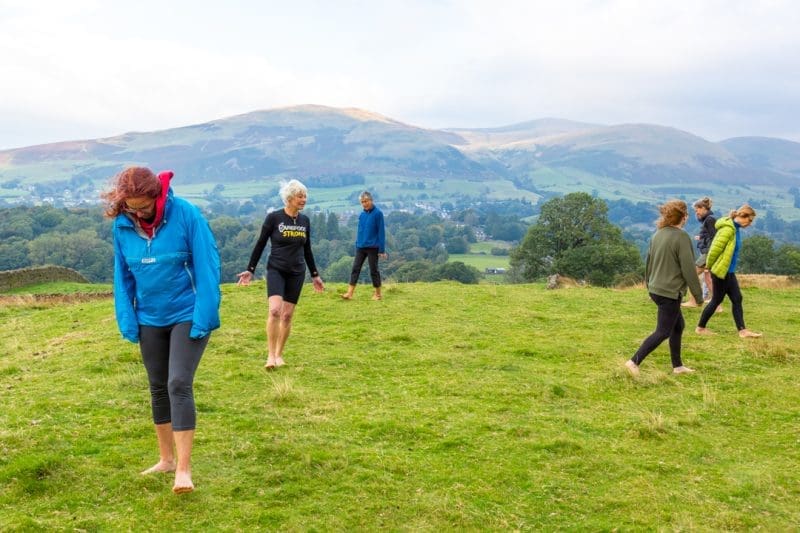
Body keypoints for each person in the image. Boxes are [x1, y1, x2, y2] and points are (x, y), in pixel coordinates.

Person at [102, 166, 221, 494]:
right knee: (157, 387)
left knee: (178, 383)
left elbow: (207, 265)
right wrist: (127, 317)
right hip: (149, 317)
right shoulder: (123, 225)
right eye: (132, 207)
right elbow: (122, 274)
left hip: (187, 311)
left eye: (143, 206)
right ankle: (166, 459)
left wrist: (204, 316)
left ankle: (183, 470)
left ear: (158, 195)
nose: (138, 213)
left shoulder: (186, 215)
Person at [237, 179, 325, 369]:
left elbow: (307, 249)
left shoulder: (305, 221)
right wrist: (250, 270)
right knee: (275, 310)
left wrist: (315, 274)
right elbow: (260, 243)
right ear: (290, 198)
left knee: (287, 316)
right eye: (300, 196)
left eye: (305, 196)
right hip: (276, 269)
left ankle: (279, 354)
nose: (304, 199)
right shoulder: (274, 218)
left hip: (297, 272)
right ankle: (270, 356)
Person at [625, 200, 703, 376]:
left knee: (678, 326)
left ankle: (678, 366)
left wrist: (649, 285)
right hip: (670, 292)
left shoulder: (657, 234)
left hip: (656, 289)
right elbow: (689, 269)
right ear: (683, 217)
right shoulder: (681, 237)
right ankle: (633, 362)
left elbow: (649, 263)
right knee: (663, 331)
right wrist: (698, 296)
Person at [696, 204, 762, 338]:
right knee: (716, 300)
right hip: (722, 271)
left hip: (729, 271)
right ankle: (700, 328)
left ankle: (742, 331)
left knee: (737, 298)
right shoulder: (728, 229)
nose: (750, 224)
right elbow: (715, 248)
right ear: (742, 216)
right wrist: (709, 266)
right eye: (749, 220)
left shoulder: (735, 228)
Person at [342, 191, 388, 301]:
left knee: (373, 270)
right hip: (361, 247)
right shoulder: (362, 215)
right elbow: (360, 231)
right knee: (355, 269)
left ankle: (378, 294)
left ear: (371, 200)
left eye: (366, 201)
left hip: (373, 247)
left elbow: (381, 232)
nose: (364, 204)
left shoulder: (378, 213)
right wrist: (357, 243)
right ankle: (349, 293)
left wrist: (381, 250)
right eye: (362, 202)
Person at [682, 197, 718, 307]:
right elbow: (710, 236)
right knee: (708, 278)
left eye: (697, 210)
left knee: (692, 274)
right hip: (707, 253)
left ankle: (693, 301)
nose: (696, 212)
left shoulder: (710, 220)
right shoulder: (708, 219)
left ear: (703, 208)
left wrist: (709, 256)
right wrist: (702, 237)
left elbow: (714, 238)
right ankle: (716, 302)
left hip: (708, 253)